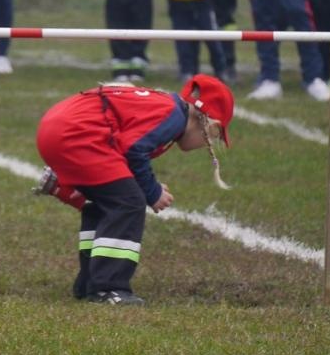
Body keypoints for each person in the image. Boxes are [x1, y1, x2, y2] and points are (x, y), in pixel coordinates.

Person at [34, 74, 234, 305]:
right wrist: (152, 192)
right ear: (211, 124)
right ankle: (108, 288)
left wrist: (149, 186)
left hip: (57, 126)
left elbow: (125, 149)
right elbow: (134, 150)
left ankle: (89, 282)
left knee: (103, 203)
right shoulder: (173, 116)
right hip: (78, 135)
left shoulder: (165, 105)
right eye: (216, 135)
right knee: (129, 203)